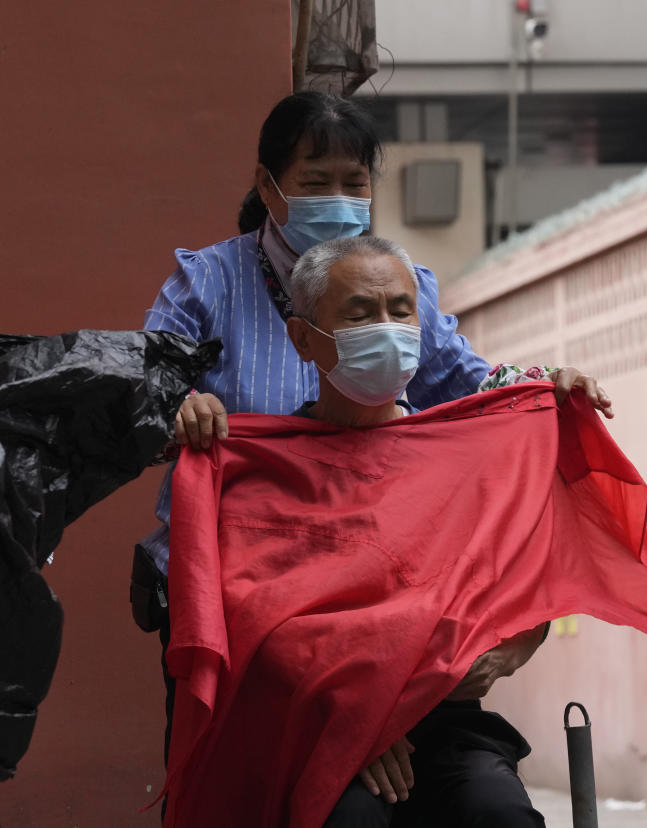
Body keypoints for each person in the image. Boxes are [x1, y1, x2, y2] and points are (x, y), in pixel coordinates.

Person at [135, 91, 611, 824]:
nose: (338, 197)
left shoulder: (402, 280)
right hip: (246, 586)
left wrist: (542, 390)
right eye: (315, 179)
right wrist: (176, 409)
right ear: (268, 186)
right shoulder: (208, 283)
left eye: (353, 182)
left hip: (390, 609)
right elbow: (138, 393)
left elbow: (475, 387)